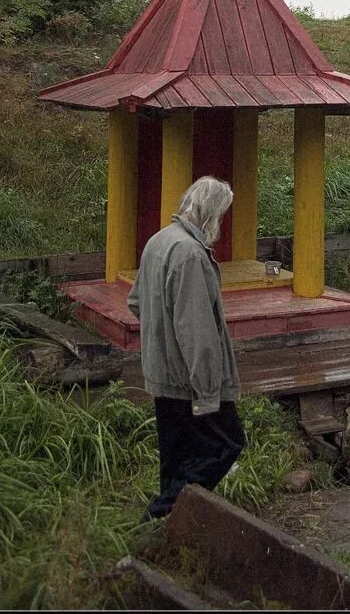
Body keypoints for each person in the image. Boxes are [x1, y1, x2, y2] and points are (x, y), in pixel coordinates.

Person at [127, 175, 247, 519]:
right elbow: (197, 333)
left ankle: (167, 528)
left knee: (177, 453)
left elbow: (136, 302)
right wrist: (208, 390)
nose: (222, 222)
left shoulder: (159, 240)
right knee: (227, 442)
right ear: (211, 213)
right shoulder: (190, 253)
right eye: (222, 214)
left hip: (160, 372)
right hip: (188, 380)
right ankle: (164, 514)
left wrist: (160, 333)